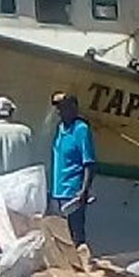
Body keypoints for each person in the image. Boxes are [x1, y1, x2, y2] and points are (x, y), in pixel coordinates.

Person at [49, 91, 96, 246]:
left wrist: (84, 190)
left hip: (73, 192)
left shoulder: (81, 129)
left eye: (62, 107)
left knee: (75, 233)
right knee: (59, 233)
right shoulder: (60, 128)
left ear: (73, 107)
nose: (59, 111)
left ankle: (80, 264)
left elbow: (89, 163)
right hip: (58, 190)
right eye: (57, 108)